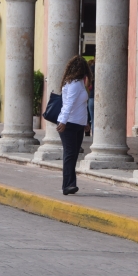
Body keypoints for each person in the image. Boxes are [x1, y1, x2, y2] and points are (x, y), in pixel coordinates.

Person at [56, 55, 92, 196]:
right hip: (69, 124)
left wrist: (86, 122)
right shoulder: (75, 84)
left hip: (78, 124)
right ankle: (68, 185)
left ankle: (71, 184)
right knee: (70, 155)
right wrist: (63, 122)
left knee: (73, 154)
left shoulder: (79, 83)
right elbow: (69, 104)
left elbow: (81, 106)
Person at [87, 58, 95, 137]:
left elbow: (87, 85)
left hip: (92, 96)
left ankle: (95, 138)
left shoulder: (91, 69)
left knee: (93, 119)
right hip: (101, 98)